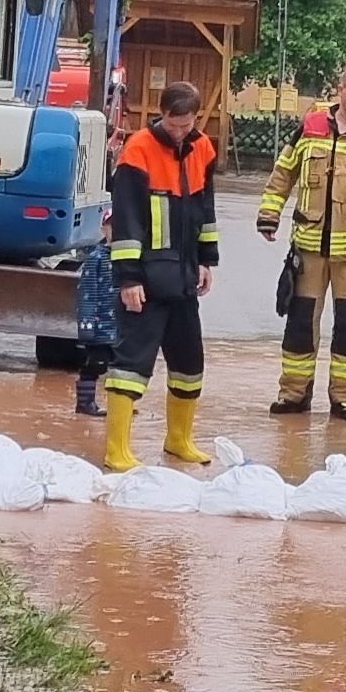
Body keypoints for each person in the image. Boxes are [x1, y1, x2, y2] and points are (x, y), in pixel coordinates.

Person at [254, 63, 346, 416]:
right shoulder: (310, 128)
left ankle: (344, 398)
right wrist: (269, 214)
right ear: (340, 92)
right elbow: (284, 173)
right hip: (310, 249)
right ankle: (294, 395)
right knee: (299, 326)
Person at [103, 78, 219, 471]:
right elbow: (127, 221)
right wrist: (129, 279)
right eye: (173, 125)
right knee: (131, 365)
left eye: (186, 125)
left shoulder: (202, 147)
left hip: (184, 278)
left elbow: (205, 208)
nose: (180, 132)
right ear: (163, 114)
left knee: (190, 365)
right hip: (147, 281)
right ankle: (116, 449)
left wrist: (207, 260)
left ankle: (179, 440)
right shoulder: (137, 150)